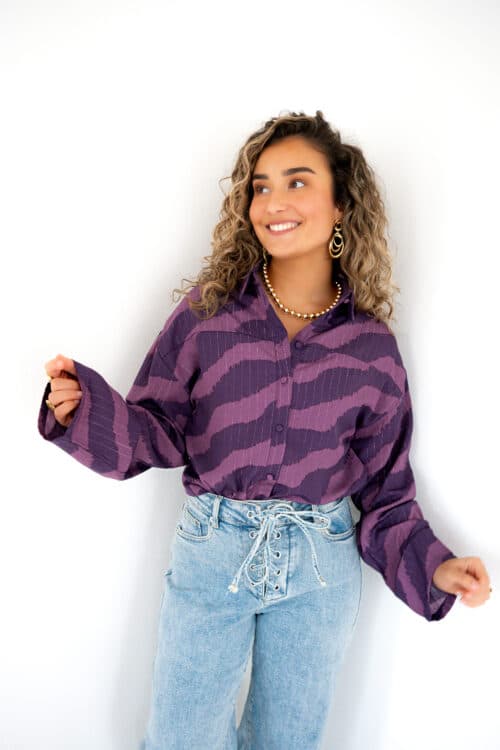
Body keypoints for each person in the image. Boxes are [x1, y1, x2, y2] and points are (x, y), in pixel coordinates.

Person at [39, 110, 492, 750]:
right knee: (181, 739)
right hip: (213, 550)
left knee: (288, 741)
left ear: (341, 205)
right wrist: (82, 410)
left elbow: (386, 493)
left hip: (320, 567)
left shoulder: (370, 349)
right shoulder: (209, 315)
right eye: (260, 186)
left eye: (297, 182)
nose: (273, 202)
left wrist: (437, 568)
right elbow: (157, 429)